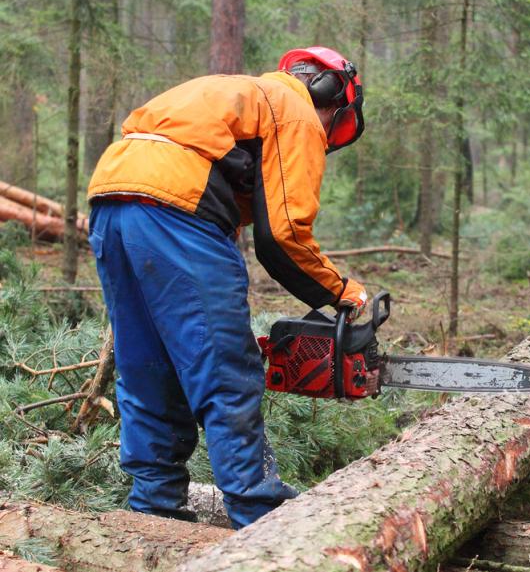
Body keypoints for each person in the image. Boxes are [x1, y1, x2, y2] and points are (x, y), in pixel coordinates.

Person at [86, 46, 368, 529]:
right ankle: (261, 518)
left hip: (112, 197)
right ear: (333, 99)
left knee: (147, 364)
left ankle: (153, 513)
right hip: (176, 211)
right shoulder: (295, 109)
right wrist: (342, 291)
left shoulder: (237, 96)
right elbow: (284, 235)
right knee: (226, 369)